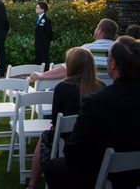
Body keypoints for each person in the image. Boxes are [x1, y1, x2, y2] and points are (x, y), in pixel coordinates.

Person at [44, 36, 140, 189]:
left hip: (102, 172)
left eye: (108, 57)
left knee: (54, 166)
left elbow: (72, 151)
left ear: (113, 64)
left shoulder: (97, 101)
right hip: (135, 174)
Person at [26, 47, 105, 189]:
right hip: (96, 139)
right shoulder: (101, 86)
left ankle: (32, 184)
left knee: (45, 137)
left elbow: (56, 119)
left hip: (69, 138)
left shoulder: (63, 87)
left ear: (72, 66)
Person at [30, 18, 118, 82]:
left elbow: (67, 69)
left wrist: (41, 75)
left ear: (99, 31)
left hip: (88, 97)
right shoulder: (120, 50)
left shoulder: (87, 50)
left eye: (97, 27)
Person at [34, 2, 53, 71]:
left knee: (44, 58)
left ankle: (45, 72)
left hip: (44, 42)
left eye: (37, 8)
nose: (35, 9)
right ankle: (39, 72)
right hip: (38, 42)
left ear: (42, 10)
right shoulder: (39, 18)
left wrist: (50, 40)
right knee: (38, 57)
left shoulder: (46, 20)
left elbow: (49, 31)